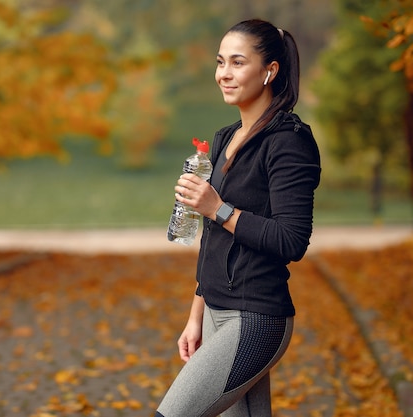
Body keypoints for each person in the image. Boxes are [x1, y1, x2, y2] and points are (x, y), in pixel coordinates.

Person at [155, 19, 321, 417]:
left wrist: (218, 207)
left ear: (269, 71)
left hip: (256, 317)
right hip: (215, 312)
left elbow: (291, 240)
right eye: (220, 62)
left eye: (237, 62)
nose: (223, 74)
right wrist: (195, 316)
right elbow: (214, 237)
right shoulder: (224, 138)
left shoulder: (289, 142)